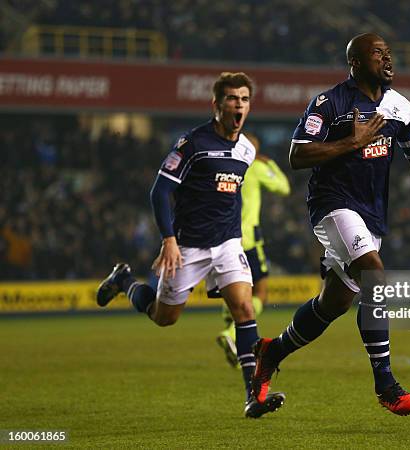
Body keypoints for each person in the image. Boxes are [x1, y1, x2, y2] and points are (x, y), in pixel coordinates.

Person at [250, 34, 410, 416]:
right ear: (355, 62)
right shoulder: (330, 103)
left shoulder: (399, 107)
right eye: (378, 53)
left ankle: (272, 351)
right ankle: (386, 384)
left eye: (389, 53)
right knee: (375, 275)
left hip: (371, 216)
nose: (388, 58)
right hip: (332, 206)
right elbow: (297, 154)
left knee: (334, 302)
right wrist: (349, 143)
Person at [95, 72, 285, 419]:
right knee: (164, 317)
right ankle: (124, 280)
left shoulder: (246, 150)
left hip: (228, 243)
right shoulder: (192, 144)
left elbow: (230, 195)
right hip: (188, 247)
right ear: (216, 104)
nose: (238, 105)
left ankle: (253, 396)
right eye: (231, 98)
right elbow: (160, 191)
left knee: (245, 309)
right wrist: (169, 240)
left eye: (243, 99)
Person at [216, 132, 291, 368]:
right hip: (248, 239)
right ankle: (231, 332)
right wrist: (271, 164)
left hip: (222, 238)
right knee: (260, 292)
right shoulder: (256, 167)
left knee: (234, 287)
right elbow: (284, 188)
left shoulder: (224, 165)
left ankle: (232, 330)